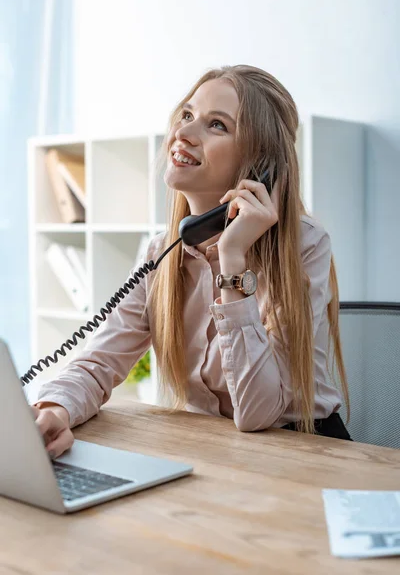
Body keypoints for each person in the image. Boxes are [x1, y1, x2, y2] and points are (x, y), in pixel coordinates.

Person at [32, 64, 351, 459]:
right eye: (186, 115)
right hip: (214, 451)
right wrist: (55, 410)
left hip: (307, 454)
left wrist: (233, 260)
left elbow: (258, 412)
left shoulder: (303, 245)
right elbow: (100, 361)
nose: (183, 133)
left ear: (259, 165)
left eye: (216, 125)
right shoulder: (161, 252)